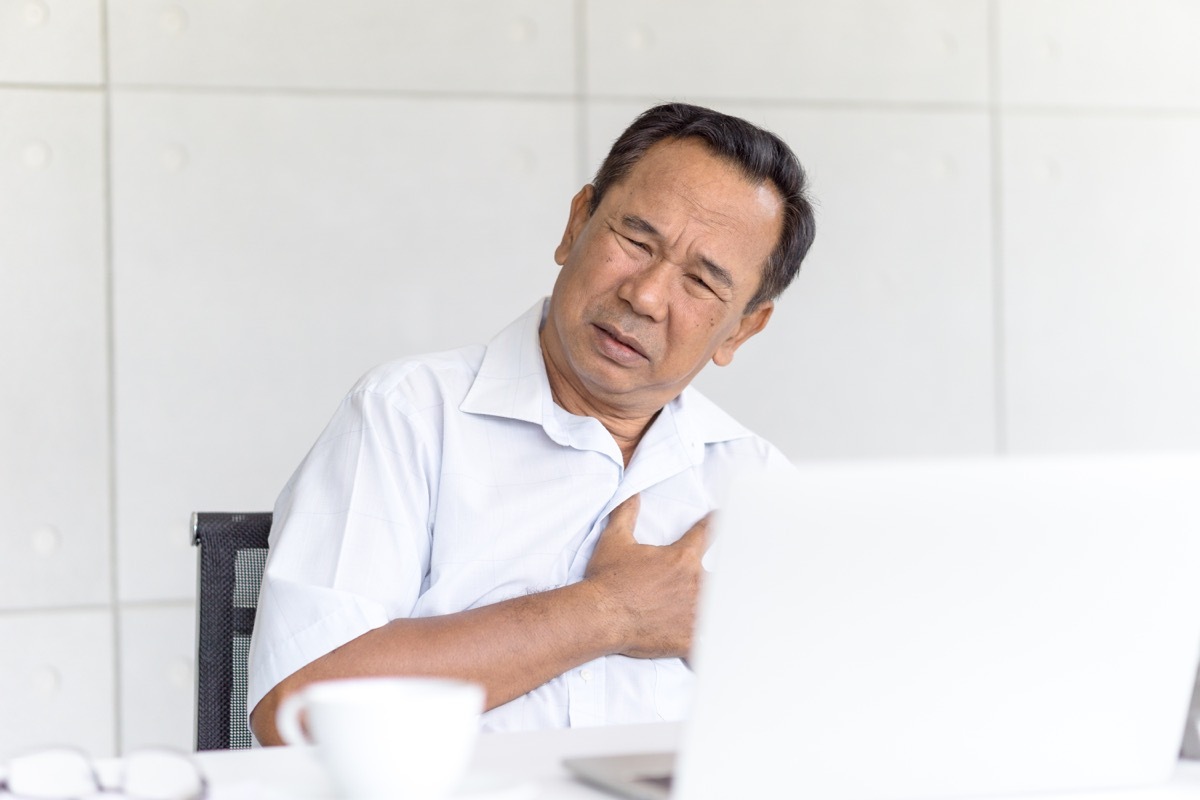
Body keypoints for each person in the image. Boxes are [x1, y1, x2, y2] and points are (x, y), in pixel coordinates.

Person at [247, 103, 816, 744]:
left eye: (701, 281)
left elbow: (818, 728)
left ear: (741, 327)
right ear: (576, 223)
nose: (647, 295)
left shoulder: (759, 483)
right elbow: (298, 714)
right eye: (635, 242)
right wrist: (613, 612)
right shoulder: (407, 414)